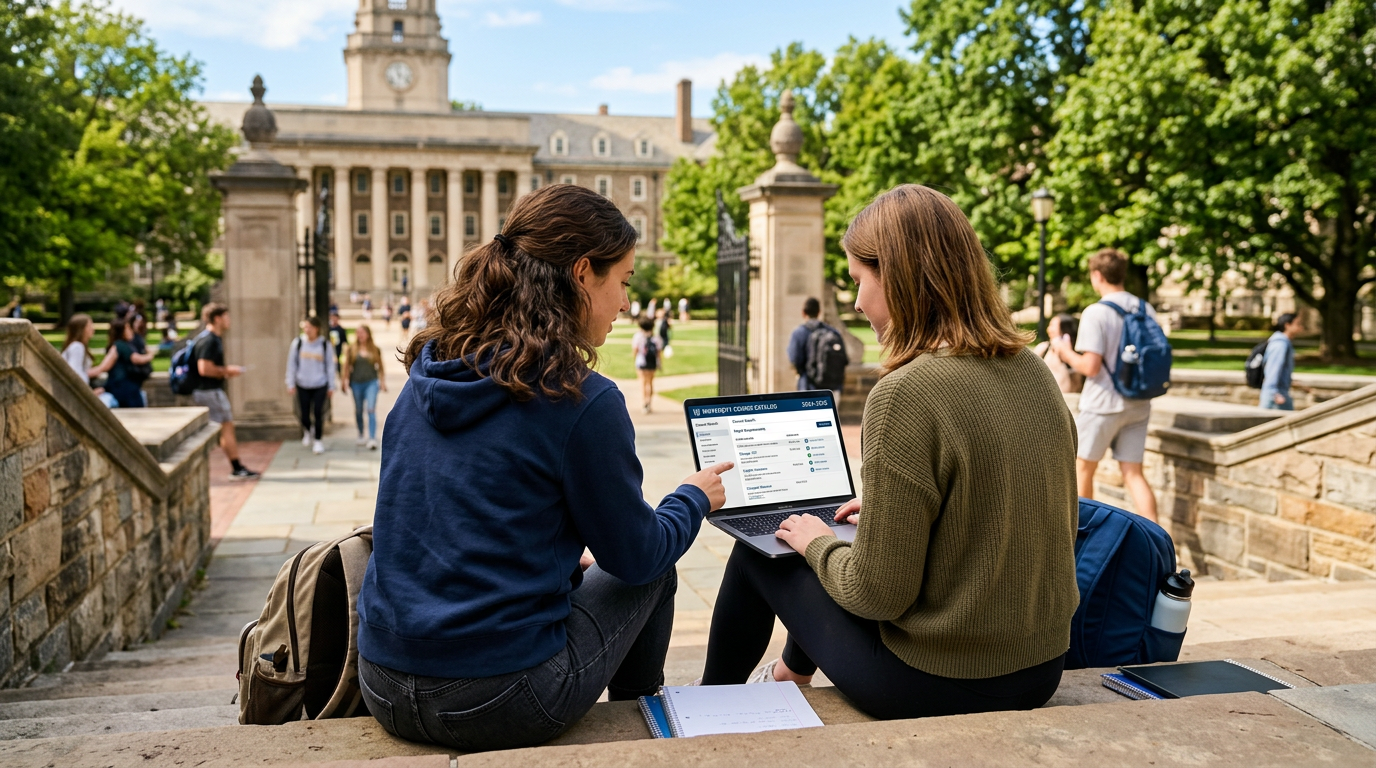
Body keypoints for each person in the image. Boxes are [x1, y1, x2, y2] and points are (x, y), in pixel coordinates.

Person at [355, 185, 732, 753]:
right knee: (657, 570)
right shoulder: (581, 400)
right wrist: (692, 497)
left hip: (381, 680)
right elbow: (636, 556)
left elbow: (447, 518)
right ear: (583, 273)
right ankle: (643, 728)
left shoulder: (425, 378)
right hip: (502, 696)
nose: (627, 303)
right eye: (624, 282)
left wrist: (551, 556)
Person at [699, 184, 1078, 722]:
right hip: (1040, 667)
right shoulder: (1033, 372)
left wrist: (819, 546)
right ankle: (787, 677)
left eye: (859, 280)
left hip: (938, 682)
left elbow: (878, 594)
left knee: (768, 548)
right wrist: (880, 519)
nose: (856, 303)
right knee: (813, 537)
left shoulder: (906, 393)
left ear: (899, 279)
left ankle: (709, 708)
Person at [1052, 248, 1158, 522]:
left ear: (1097, 276)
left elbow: (1090, 367)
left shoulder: (1096, 312)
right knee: (1133, 473)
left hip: (1102, 403)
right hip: (1139, 400)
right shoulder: (1145, 308)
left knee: (1083, 469)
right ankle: (1160, 545)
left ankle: (1083, 536)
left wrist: (1062, 351)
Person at [193, 303, 260, 480]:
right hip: (210, 391)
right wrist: (227, 371)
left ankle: (236, 466)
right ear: (217, 318)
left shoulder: (208, 339)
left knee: (220, 429)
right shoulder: (209, 340)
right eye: (226, 316)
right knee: (225, 427)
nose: (229, 320)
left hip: (208, 391)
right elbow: (204, 369)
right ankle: (236, 468)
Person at [287, 316, 337, 455]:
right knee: (304, 414)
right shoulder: (298, 343)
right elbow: (292, 364)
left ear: (316, 328)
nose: (307, 330)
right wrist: (290, 383)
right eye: (305, 327)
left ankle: (318, 440)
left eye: (309, 327)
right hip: (303, 383)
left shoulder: (324, 345)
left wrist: (332, 386)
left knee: (318, 413)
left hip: (320, 383)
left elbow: (330, 366)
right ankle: (308, 430)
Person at [786, 296, 847, 395]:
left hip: (808, 388)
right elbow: (844, 359)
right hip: (832, 390)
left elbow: (794, 359)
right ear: (819, 312)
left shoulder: (798, 333)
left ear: (803, 313)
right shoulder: (833, 332)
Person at [88, 318, 153, 409]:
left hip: (124, 387)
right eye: (128, 328)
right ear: (121, 331)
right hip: (124, 388)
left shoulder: (122, 345)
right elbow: (104, 367)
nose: (131, 331)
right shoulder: (120, 345)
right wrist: (149, 356)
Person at [342, 323, 386, 449]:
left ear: (368, 334)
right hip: (356, 383)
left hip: (371, 382)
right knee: (359, 410)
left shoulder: (375, 349)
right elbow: (346, 366)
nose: (360, 335)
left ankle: (372, 438)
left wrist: (382, 382)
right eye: (358, 333)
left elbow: (381, 367)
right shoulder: (351, 349)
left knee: (371, 409)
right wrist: (344, 381)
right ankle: (361, 433)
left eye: (362, 332)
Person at [1033, 314, 1084, 394]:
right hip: (1049, 397)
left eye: (1052, 325)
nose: (1049, 329)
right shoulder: (1044, 348)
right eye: (1049, 325)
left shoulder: (1078, 352)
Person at [1261, 313, 1301, 410]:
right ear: (1287, 325)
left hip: (1279, 394)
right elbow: (1272, 369)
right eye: (1297, 324)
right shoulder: (1280, 345)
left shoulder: (1283, 343)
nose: (1301, 327)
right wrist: (1274, 393)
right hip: (1277, 397)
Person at [632, 316, 661, 413]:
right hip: (652, 363)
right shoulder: (655, 337)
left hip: (641, 362)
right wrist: (659, 363)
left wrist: (634, 358)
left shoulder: (638, 336)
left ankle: (645, 403)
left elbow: (635, 350)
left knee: (643, 383)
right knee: (650, 383)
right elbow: (658, 352)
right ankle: (650, 403)